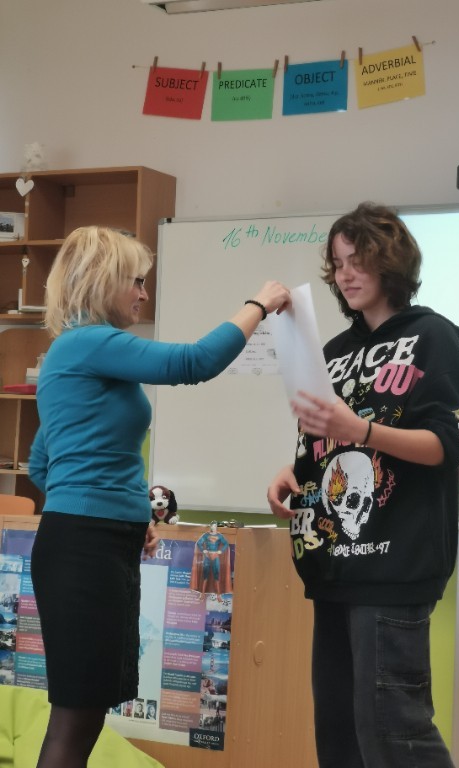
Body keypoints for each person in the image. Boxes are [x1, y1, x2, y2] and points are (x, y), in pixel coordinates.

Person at [28, 225, 291, 768]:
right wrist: (259, 305)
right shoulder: (88, 343)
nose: (144, 294)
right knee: (76, 716)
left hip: (95, 542)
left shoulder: (75, 353)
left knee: (87, 712)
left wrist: (127, 513)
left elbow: (41, 463)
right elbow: (193, 362)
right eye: (137, 281)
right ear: (102, 281)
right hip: (85, 548)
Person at [267, 203, 459, 768]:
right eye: (338, 264)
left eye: (358, 260)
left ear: (391, 262)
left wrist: (359, 429)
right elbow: (323, 444)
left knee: (394, 735)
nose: (346, 274)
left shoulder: (432, 337)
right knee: (339, 738)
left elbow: (451, 441)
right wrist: (294, 473)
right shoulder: (333, 352)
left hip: (394, 566)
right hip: (333, 566)